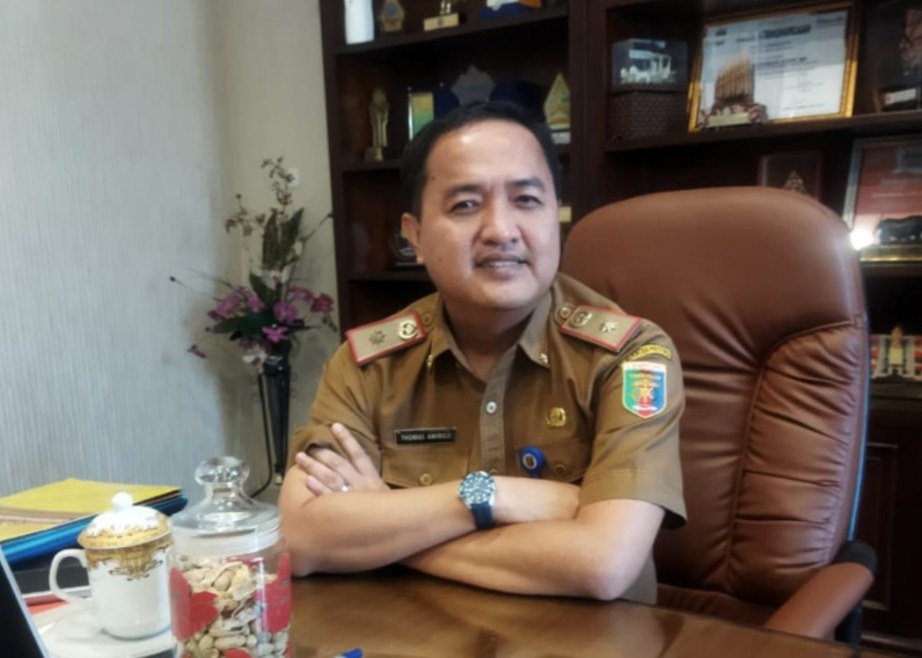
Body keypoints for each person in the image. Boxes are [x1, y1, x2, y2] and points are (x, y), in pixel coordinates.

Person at [279, 100, 686, 603]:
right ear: (415, 236)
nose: (501, 230)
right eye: (466, 205)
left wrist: (385, 531)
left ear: (556, 217)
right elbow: (302, 537)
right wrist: (491, 497)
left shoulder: (631, 357)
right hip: (416, 633)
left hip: (590, 637)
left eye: (527, 200)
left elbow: (603, 564)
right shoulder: (370, 364)